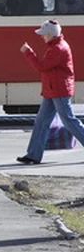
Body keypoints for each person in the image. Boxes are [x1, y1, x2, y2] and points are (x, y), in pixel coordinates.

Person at [17, 19, 84, 164]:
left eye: (44, 34)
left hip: (59, 90)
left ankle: (33, 155)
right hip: (53, 90)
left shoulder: (58, 49)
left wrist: (28, 53)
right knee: (41, 122)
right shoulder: (56, 46)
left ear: (51, 35)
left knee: (69, 121)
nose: (42, 37)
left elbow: (42, 67)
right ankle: (33, 155)